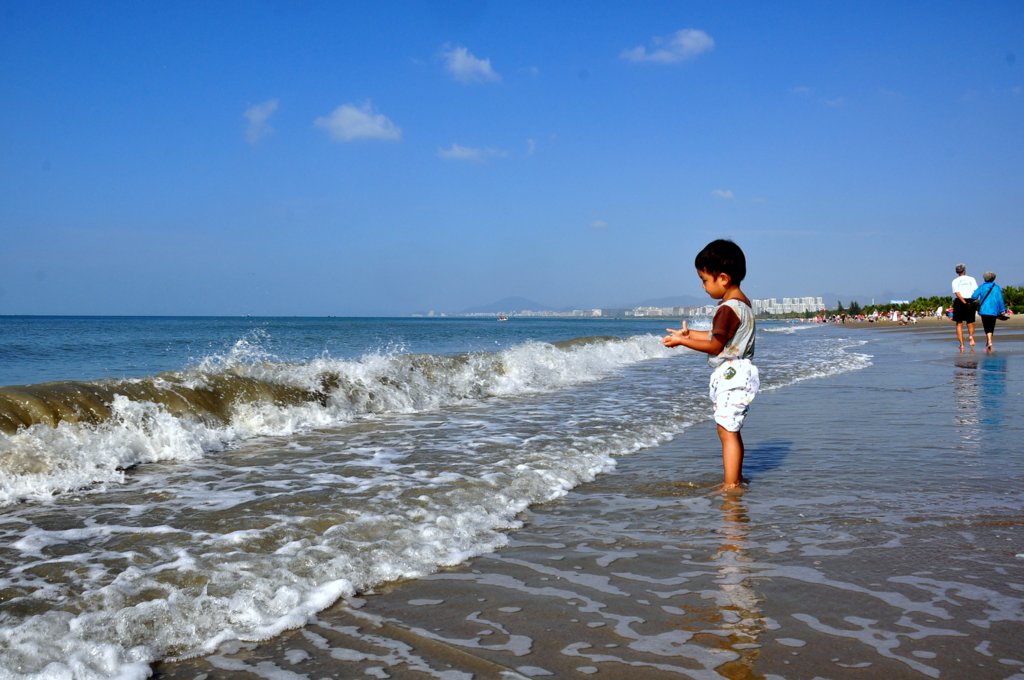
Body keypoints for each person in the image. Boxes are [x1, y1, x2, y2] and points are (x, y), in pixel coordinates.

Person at [663, 239, 759, 491]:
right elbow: (715, 337)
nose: (703, 287)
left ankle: (731, 484)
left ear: (723, 279)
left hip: (732, 374)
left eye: (705, 280)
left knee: (727, 430)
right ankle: (735, 479)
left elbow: (715, 346)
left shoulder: (727, 310)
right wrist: (687, 335)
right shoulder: (742, 305)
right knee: (730, 428)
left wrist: (682, 344)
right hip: (740, 372)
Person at [971, 271, 1013, 352]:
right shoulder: (996, 287)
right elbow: (1000, 299)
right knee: (991, 326)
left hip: (984, 310)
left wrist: (977, 300)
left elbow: (973, 296)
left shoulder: (982, 287)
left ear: (984, 278)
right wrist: (1002, 310)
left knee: (986, 326)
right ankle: (989, 341)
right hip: (994, 310)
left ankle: (988, 341)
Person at [951, 264, 978, 352]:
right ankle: (971, 337)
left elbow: (957, 293)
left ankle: (962, 345)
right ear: (964, 270)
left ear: (957, 272)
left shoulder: (955, 281)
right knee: (970, 322)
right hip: (970, 300)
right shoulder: (971, 279)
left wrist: (964, 302)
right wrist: (972, 301)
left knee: (959, 323)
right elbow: (975, 291)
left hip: (959, 301)